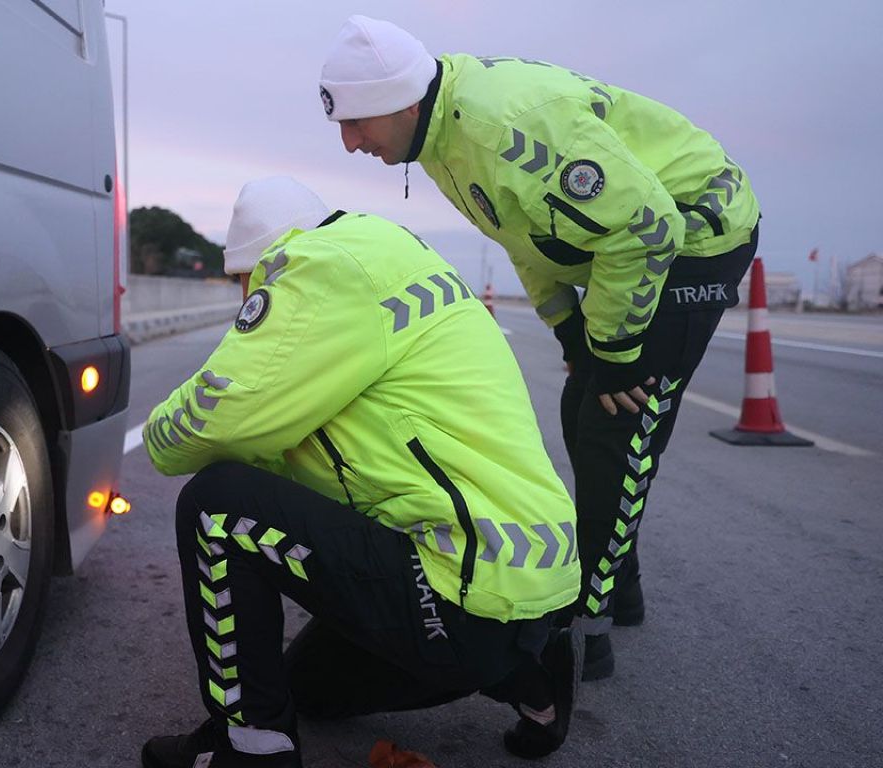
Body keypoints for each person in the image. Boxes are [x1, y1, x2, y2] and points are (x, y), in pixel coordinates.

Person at [318, 16, 760, 680]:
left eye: (356, 123)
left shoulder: (499, 125)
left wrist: (615, 351)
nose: (350, 142)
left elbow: (647, 226)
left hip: (695, 235)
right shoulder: (442, 139)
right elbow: (522, 237)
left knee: (615, 422)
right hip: (633, 245)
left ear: (404, 102)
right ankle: (622, 584)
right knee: (578, 405)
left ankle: (590, 626)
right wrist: (567, 331)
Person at [140, 176, 584, 767]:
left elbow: (213, 418)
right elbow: (301, 464)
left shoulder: (316, 266)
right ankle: (528, 674)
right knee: (308, 689)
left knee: (216, 507)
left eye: (239, 282)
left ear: (257, 266)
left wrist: (154, 434)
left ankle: (248, 753)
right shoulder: (388, 263)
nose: (240, 298)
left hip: (461, 587)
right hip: (525, 580)